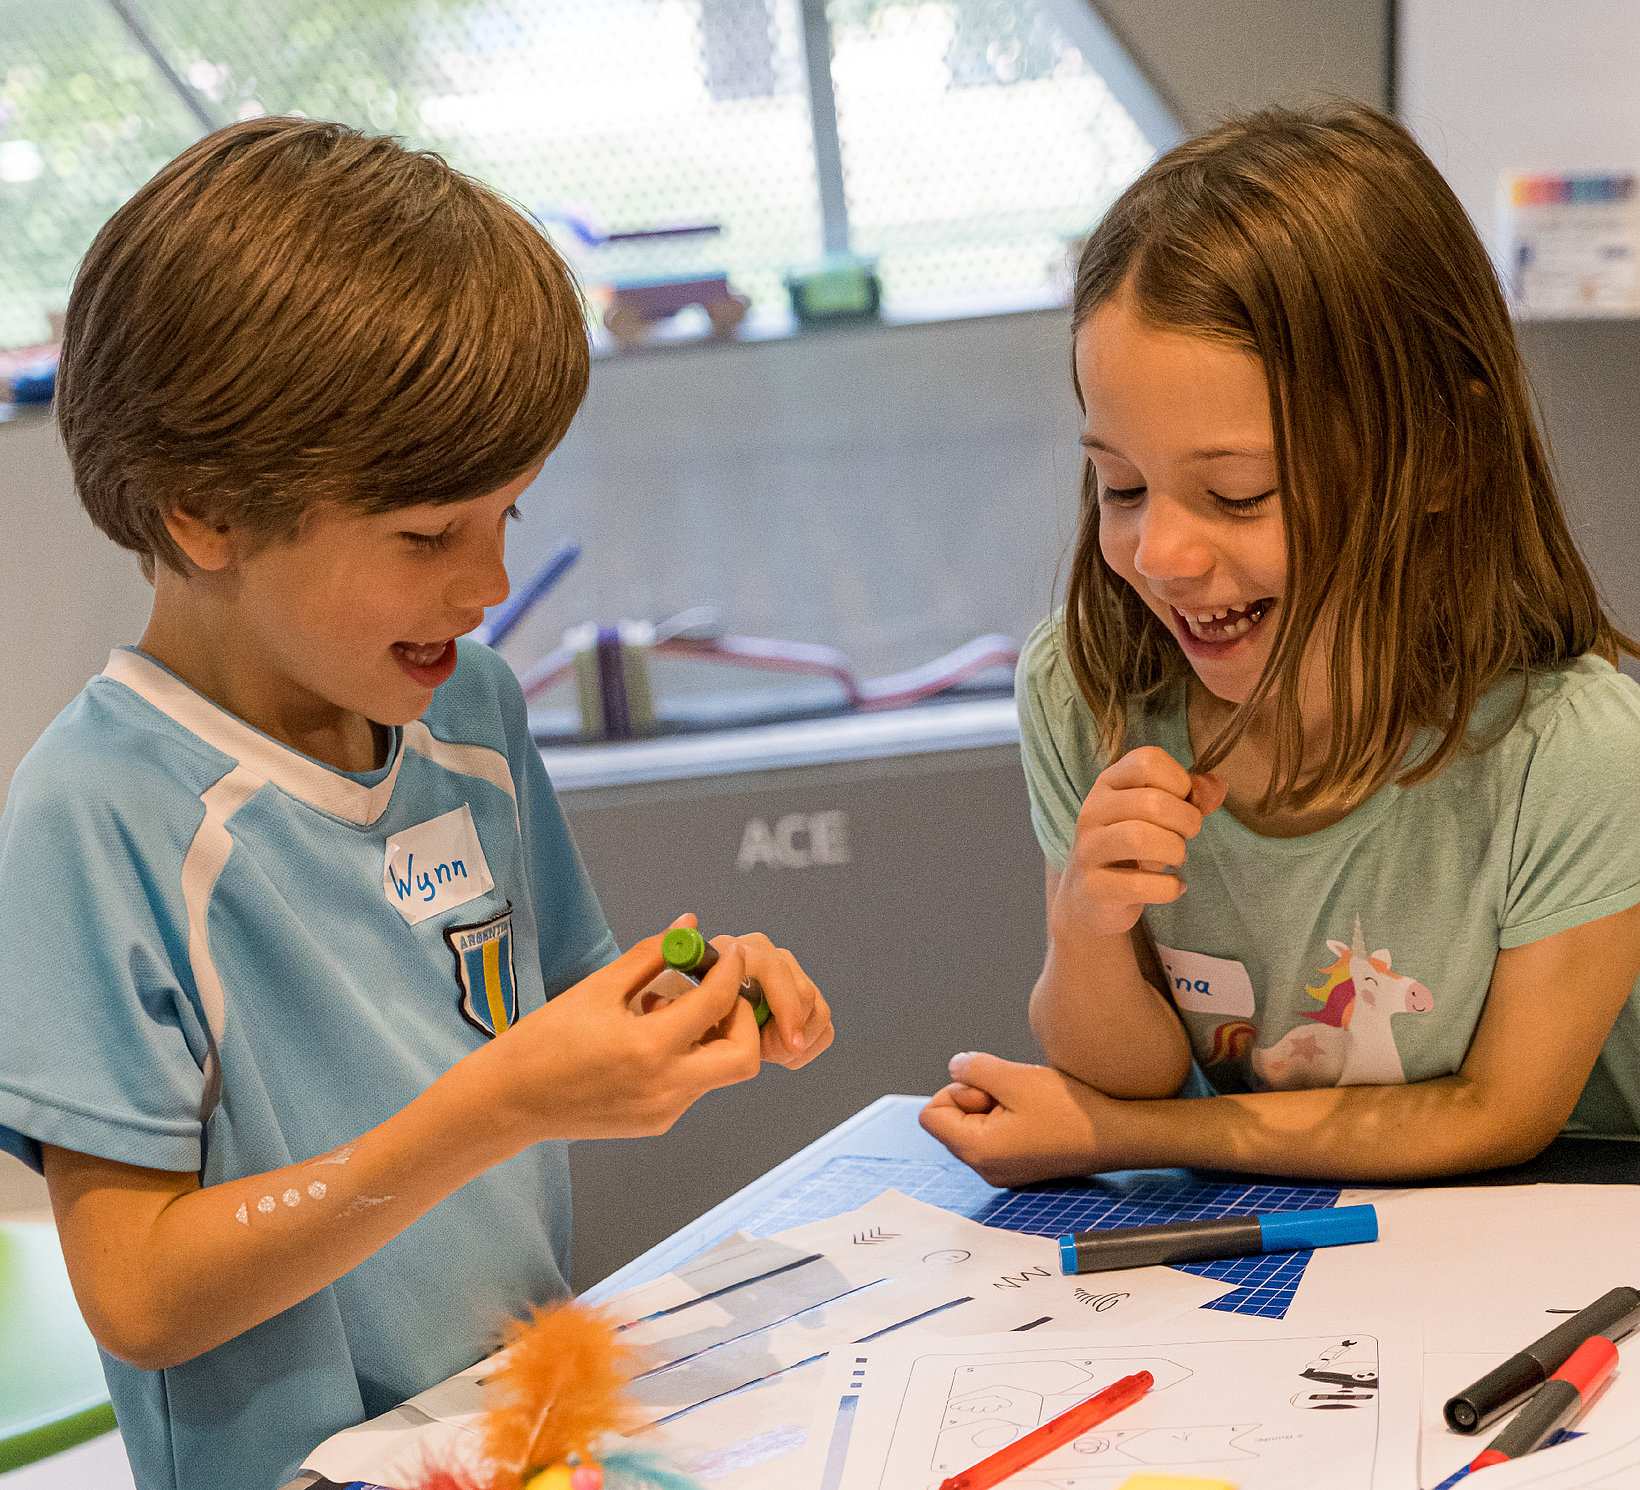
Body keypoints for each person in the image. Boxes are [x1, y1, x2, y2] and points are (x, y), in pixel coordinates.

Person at [0, 118, 832, 1490]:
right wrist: (492, 1108)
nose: (488, 582)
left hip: (519, 1441)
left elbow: (556, 1016)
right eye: (426, 535)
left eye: (508, 513)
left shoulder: (471, 711)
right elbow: (139, 1291)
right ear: (203, 509)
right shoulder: (98, 815)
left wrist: (693, 1005)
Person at [921, 103, 1640, 1188]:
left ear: (1441, 456)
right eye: (1119, 485)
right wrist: (1084, 919)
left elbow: (1497, 1114)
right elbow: (1124, 1066)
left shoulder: (1573, 751)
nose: (1157, 550)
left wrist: (1116, 1138)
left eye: (1236, 493)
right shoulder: (1087, 695)